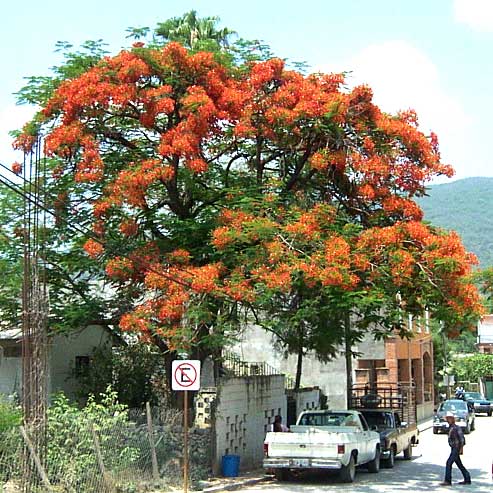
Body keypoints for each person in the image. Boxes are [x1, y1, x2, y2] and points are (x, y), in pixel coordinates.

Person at [440, 411, 471, 486]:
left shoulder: (456, 428)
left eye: (449, 418)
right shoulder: (450, 427)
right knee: (459, 464)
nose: (448, 420)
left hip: (456, 448)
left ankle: (448, 481)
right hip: (453, 448)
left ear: (453, 419)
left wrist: (461, 449)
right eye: (447, 418)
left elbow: (462, 439)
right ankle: (467, 479)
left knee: (449, 463)